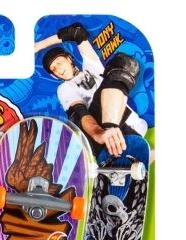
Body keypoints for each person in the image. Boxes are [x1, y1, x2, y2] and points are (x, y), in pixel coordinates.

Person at [35, 23, 148, 160]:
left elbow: (77, 33)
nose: (58, 69)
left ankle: (119, 137)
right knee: (78, 115)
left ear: (69, 59)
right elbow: (80, 112)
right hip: (101, 134)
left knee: (124, 63)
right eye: (53, 69)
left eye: (59, 62)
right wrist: (98, 133)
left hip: (135, 128)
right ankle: (110, 134)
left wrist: (38, 46)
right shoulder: (64, 88)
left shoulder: (92, 68)